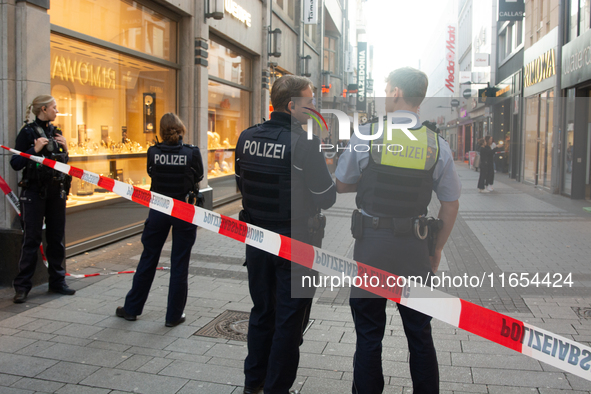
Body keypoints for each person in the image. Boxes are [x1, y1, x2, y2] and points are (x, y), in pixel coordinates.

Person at [335, 67, 461, 394]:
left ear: (395, 93)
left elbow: (343, 184)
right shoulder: (436, 142)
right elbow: (450, 203)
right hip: (416, 247)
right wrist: (436, 250)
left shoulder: (368, 134)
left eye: (386, 87)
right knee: (420, 333)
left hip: (372, 245)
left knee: (369, 333)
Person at [235, 75, 336, 394]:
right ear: (292, 106)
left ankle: (254, 383)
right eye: (309, 101)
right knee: (290, 321)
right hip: (296, 246)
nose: (313, 107)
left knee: (262, 312)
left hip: (257, 240)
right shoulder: (305, 143)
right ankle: (277, 388)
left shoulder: (246, 136)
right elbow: (326, 197)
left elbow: (241, 183)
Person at [116, 113, 203, 327]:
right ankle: (173, 316)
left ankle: (132, 309)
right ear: (181, 128)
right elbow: (199, 176)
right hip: (183, 209)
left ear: (161, 131)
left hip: (158, 209)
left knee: (148, 258)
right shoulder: (191, 153)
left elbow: (150, 173)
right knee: (179, 263)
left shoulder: (153, 152)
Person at [10, 95, 74, 303]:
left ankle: (58, 281)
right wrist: (34, 150)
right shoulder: (27, 133)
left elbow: (63, 164)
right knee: (31, 239)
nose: (57, 111)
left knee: (56, 239)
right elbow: (16, 162)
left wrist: (66, 148)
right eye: (54, 107)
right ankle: (22, 287)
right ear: (44, 109)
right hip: (34, 192)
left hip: (56, 192)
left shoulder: (57, 133)